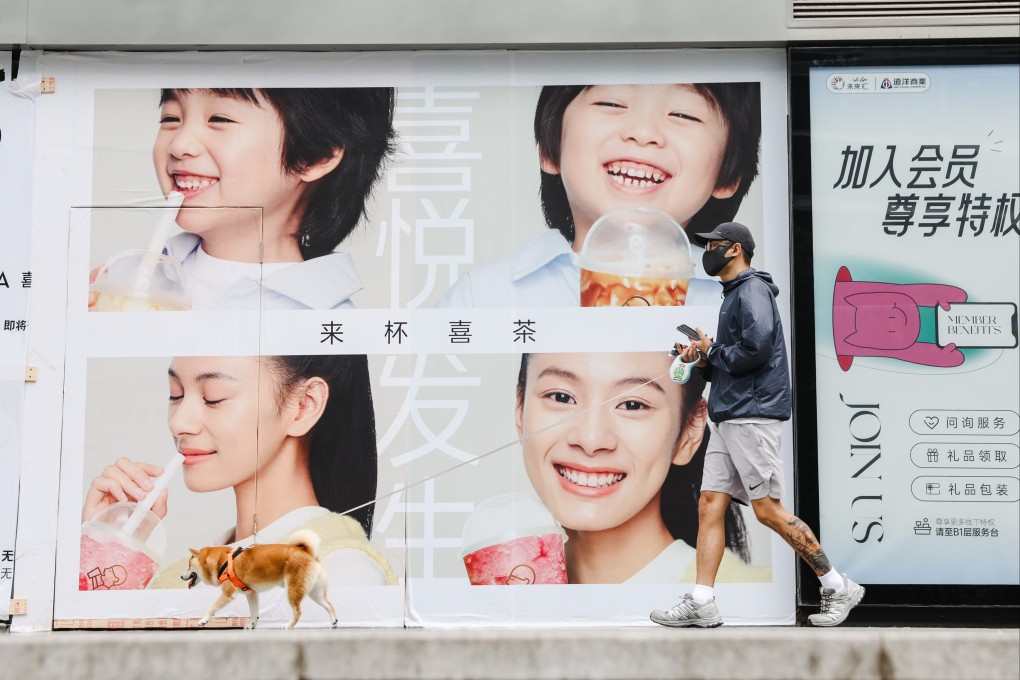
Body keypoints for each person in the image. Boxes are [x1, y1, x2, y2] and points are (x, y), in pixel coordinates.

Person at [649, 222, 864, 627]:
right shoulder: (735, 294)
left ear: (735, 250)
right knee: (710, 503)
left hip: (753, 415)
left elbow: (757, 347)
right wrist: (704, 358)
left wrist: (713, 348)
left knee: (767, 510)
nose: (707, 251)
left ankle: (837, 585)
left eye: (713, 245)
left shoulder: (751, 290)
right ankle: (702, 600)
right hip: (730, 413)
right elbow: (737, 360)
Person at [82, 355, 397, 601]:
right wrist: (106, 548)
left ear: (303, 406)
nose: (179, 423)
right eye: (176, 395)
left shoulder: (338, 573)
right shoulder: (181, 578)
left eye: (213, 398)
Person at [438, 83, 761, 308]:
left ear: (729, 175)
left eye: (683, 114)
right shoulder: (485, 294)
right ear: (550, 150)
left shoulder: (740, 299)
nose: (643, 133)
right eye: (612, 103)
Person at [94, 87, 395, 311]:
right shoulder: (121, 278)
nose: (179, 144)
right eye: (171, 118)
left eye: (219, 119)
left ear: (315, 155)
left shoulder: (324, 317)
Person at [516, 351, 768, 584]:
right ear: (520, 410)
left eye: (632, 405)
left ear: (689, 431)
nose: (590, 440)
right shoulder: (497, 589)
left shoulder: (751, 599)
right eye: (561, 397)